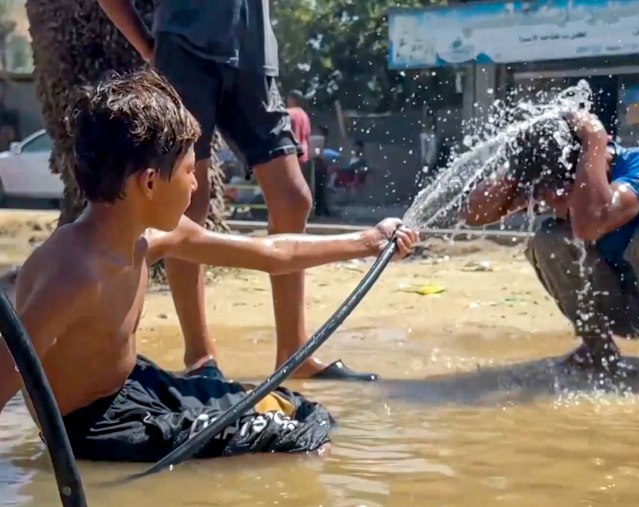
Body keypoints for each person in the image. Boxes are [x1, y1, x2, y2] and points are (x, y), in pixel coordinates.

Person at [0, 69, 419, 461]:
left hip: (135, 388)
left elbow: (272, 255)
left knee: (293, 409)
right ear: (149, 182)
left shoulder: (149, 237)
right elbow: (8, 367)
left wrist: (367, 241)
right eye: (188, 170)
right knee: (292, 442)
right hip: (94, 429)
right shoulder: (74, 275)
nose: (197, 183)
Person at [96, 1, 376, 381]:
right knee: (188, 198)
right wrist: (149, 46)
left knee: (294, 198)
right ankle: (200, 356)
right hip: (186, 50)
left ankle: (294, 354)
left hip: (255, 60)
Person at [462, 110, 639, 381]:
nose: (555, 200)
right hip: (619, 306)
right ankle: (598, 349)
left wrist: (594, 139)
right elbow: (473, 214)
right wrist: (519, 168)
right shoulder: (553, 180)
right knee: (549, 237)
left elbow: (592, 222)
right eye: (549, 193)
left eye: (565, 190)